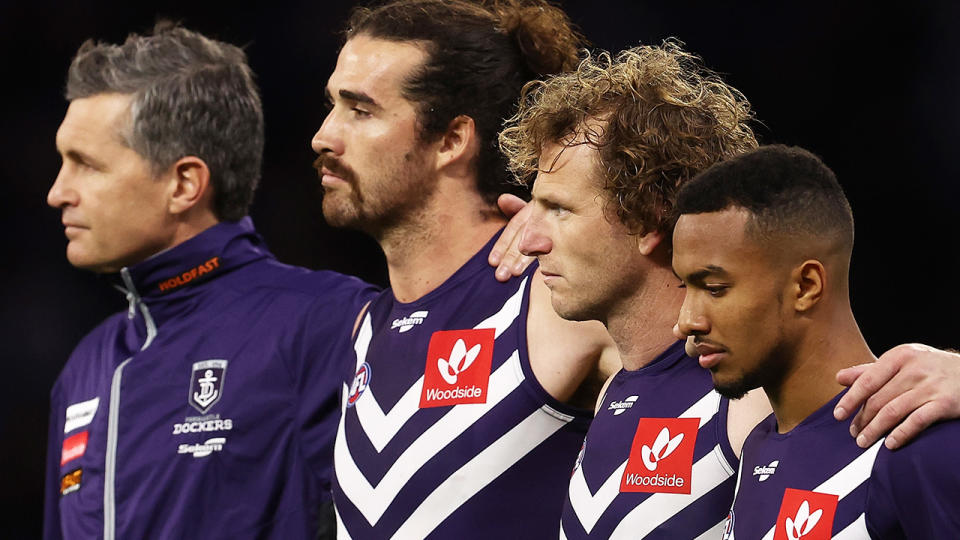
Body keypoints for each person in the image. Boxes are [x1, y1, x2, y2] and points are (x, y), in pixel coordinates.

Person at [500, 43, 960, 538]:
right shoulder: (626, 388)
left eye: (559, 209)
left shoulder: (754, 398)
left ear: (649, 216)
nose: (529, 239)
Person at [43, 24, 378, 539]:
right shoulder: (86, 364)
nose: (58, 192)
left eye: (85, 165)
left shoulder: (332, 322)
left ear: (184, 184)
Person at [311, 1, 618, 537]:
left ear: (452, 140)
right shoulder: (365, 329)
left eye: (360, 110)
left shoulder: (557, 298)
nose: (324, 136)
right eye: (333, 105)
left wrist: (587, 234)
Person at [673, 144, 960, 538]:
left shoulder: (914, 443)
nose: (687, 321)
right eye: (684, 286)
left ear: (806, 286)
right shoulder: (758, 446)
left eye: (716, 288)